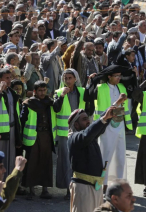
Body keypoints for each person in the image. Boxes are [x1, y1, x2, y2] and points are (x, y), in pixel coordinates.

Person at [68, 98, 124, 212]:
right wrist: (103, 119)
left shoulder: (89, 136)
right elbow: (90, 131)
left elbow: (99, 124)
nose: (88, 121)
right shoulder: (74, 138)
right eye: (84, 119)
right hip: (83, 188)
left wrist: (116, 104)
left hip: (95, 187)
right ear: (76, 125)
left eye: (88, 118)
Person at [90, 65, 132, 191]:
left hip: (119, 125)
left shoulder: (122, 87)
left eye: (120, 76)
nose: (119, 78)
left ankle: (120, 185)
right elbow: (89, 95)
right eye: (116, 76)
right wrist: (92, 80)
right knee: (106, 156)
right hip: (106, 125)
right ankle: (103, 185)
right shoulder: (100, 88)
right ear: (109, 76)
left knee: (120, 157)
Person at [53, 69, 86, 199]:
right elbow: (56, 108)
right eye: (65, 78)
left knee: (79, 159)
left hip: (80, 130)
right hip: (63, 132)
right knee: (66, 161)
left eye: (70, 78)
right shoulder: (58, 92)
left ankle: (80, 187)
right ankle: (68, 189)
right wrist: (61, 96)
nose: (67, 81)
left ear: (75, 79)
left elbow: (89, 103)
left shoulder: (81, 91)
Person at [20, 80, 55, 199]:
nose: (42, 92)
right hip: (33, 135)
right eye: (40, 90)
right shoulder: (28, 103)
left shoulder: (49, 103)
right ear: (34, 91)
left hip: (46, 135)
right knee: (32, 163)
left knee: (46, 161)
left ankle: (45, 190)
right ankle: (31, 190)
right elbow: (22, 120)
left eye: (44, 90)